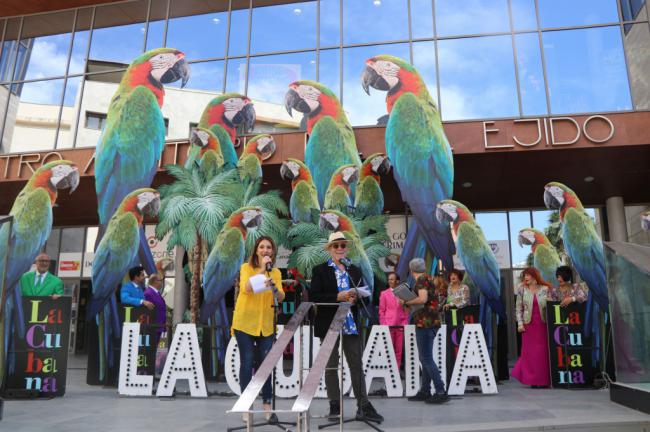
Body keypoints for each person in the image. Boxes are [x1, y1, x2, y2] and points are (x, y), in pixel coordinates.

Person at [309, 232, 384, 423]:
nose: (340, 249)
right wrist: (338, 296)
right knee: (331, 366)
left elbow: (365, 295)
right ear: (330, 250)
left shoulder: (355, 270)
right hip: (329, 325)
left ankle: (363, 405)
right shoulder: (320, 270)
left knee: (356, 365)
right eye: (336, 246)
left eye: (343, 245)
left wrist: (356, 297)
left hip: (351, 324)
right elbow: (315, 297)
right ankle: (335, 404)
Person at [231, 236, 285, 423]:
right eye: (261, 247)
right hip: (245, 323)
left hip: (266, 326)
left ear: (273, 251)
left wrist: (274, 289)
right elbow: (247, 288)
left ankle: (267, 406)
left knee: (266, 365)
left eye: (269, 247)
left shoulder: (275, 272)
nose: (265, 250)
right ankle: (247, 406)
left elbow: (281, 297)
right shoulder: (246, 268)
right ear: (256, 250)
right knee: (247, 362)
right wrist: (262, 270)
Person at [402, 258, 449, 404]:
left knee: (426, 358)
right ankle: (425, 390)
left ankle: (440, 391)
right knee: (425, 358)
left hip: (425, 322)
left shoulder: (421, 280)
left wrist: (405, 301)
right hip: (431, 321)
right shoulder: (429, 278)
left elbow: (422, 299)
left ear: (411, 270)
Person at [512, 267, 552, 388]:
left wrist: (550, 301)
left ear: (534, 276)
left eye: (528, 275)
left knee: (543, 353)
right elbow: (518, 308)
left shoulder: (545, 289)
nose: (525, 278)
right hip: (528, 326)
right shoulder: (522, 289)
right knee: (530, 354)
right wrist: (519, 323)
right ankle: (533, 380)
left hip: (543, 325)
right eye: (524, 276)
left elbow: (552, 305)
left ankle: (544, 381)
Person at [379, 272, 409, 369]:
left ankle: (397, 370)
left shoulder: (403, 292)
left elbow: (407, 309)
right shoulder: (384, 294)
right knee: (389, 349)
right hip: (389, 325)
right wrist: (384, 324)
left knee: (399, 350)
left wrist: (405, 321)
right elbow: (381, 310)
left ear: (397, 281)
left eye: (392, 279)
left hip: (400, 325)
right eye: (389, 279)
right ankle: (390, 370)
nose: (390, 281)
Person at [144, 273, 167, 349]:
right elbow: (148, 311)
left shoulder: (156, 293)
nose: (162, 282)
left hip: (158, 326)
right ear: (155, 281)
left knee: (154, 350)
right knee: (150, 351)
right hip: (152, 327)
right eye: (160, 280)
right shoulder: (148, 293)